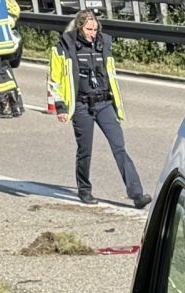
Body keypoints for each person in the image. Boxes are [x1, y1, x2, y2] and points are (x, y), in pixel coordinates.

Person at [51, 9, 146, 207]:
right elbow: (55, 79)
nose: (92, 33)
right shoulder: (64, 47)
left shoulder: (104, 43)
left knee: (119, 146)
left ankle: (137, 194)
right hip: (81, 105)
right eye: (88, 29)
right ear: (79, 28)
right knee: (85, 150)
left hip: (104, 103)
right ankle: (84, 190)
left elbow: (110, 74)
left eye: (95, 29)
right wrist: (61, 107)